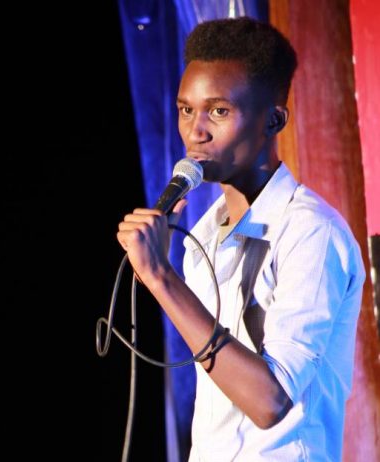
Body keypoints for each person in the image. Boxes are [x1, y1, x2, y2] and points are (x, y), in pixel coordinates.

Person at [116, 16, 365, 461]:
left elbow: (270, 402)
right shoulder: (203, 236)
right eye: (186, 110)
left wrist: (162, 278)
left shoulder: (311, 233)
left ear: (273, 120)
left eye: (219, 111)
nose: (196, 131)